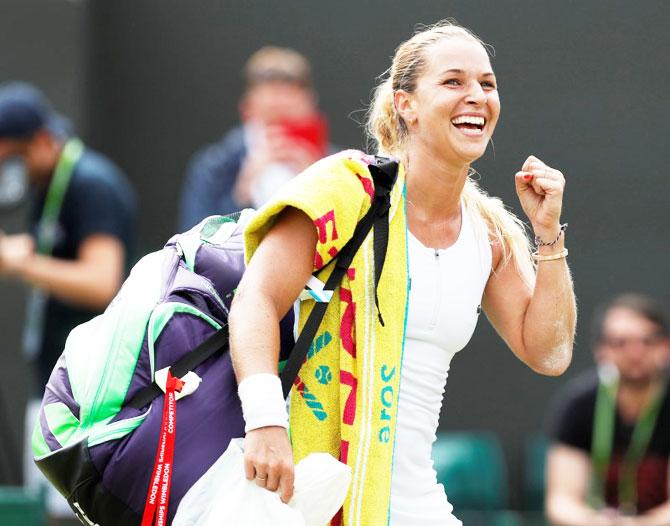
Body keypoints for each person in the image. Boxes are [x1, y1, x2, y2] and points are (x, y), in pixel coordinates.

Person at [229, 20, 576, 526]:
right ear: (406, 104)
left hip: (412, 501)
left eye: (487, 83)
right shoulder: (345, 190)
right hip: (301, 493)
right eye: (453, 82)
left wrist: (548, 234)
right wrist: (264, 422)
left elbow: (550, 353)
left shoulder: (488, 233)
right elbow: (255, 298)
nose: (476, 95)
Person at [0, 81, 136, 519]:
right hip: (53, 378)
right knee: (49, 511)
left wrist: (21, 263)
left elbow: (101, 280)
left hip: (90, 393)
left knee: (74, 512)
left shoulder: (91, 185)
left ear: (41, 142)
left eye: (12, 158)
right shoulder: (48, 186)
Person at [546, 293, 670, 526]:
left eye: (647, 341)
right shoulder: (579, 403)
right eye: (621, 342)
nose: (635, 352)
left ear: (666, 346)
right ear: (601, 350)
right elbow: (561, 501)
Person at [178, 46, 329, 230]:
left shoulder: (335, 165)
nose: (281, 100)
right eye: (272, 98)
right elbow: (193, 243)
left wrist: (321, 184)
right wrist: (242, 195)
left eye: (290, 94)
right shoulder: (215, 166)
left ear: (310, 105)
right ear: (247, 106)